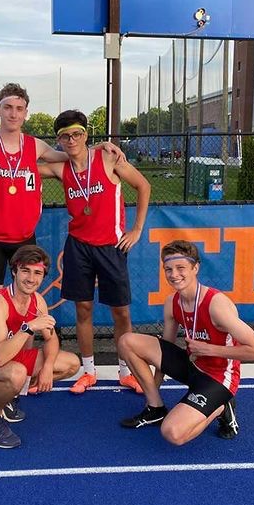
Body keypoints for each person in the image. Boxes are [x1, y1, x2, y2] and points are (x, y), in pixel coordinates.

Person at [0, 83, 125, 299]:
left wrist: (100, 145)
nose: (13, 114)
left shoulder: (35, 146)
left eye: (19, 109)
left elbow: (71, 154)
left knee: (25, 301)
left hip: (25, 238)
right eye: (8, 107)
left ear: (25, 113)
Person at [38, 110, 151, 395]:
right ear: (59, 140)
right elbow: (27, 163)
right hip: (78, 246)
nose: (71, 140)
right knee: (83, 309)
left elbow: (143, 186)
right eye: (65, 136)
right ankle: (89, 372)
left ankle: (126, 372)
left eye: (77, 134)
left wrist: (137, 230)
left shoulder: (108, 158)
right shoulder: (61, 169)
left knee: (121, 312)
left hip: (111, 246)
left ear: (86, 135)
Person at [118, 240, 254, 446]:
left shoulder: (216, 304)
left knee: (173, 433)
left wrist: (210, 349)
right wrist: (153, 392)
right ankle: (156, 409)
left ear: (195, 268)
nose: (174, 274)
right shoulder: (172, 302)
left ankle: (222, 407)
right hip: (192, 364)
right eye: (168, 269)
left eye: (181, 268)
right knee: (127, 341)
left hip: (217, 378)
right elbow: (166, 349)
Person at [0, 244, 80, 448]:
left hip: (12, 359)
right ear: (15, 271)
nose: (31, 279)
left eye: (37, 273)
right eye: (25, 271)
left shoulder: (38, 301)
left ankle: (8, 395)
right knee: (17, 373)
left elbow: (51, 339)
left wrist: (47, 367)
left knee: (71, 363)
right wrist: (29, 327)